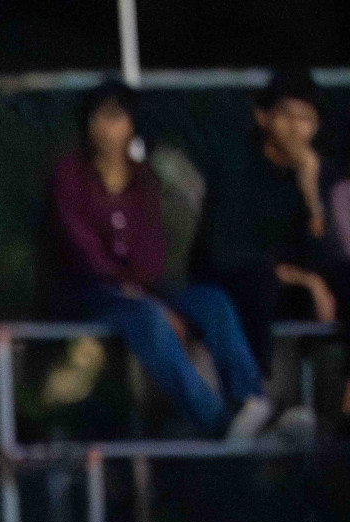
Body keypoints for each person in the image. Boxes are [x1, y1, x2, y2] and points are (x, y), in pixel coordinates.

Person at [48, 81, 272, 440]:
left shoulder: (144, 179)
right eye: (98, 118)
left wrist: (150, 292)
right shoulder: (69, 176)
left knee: (213, 302)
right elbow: (82, 249)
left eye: (116, 118)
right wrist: (141, 296)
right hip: (92, 292)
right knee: (152, 319)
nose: (105, 128)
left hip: (148, 289)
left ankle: (252, 403)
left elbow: (152, 250)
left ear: (131, 125)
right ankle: (216, 421)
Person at [194, 69, 350, 410]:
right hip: (244, 279)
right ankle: (253, 400)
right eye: (287, 115)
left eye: (307, 118)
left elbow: (325, 255)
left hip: (298, 287)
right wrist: (307, 280)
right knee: (258, 282)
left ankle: (346, 403)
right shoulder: (239, 165)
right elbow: (230, 250)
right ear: (263, 117)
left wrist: (311, 195)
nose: (297, 128)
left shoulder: (319, 172)